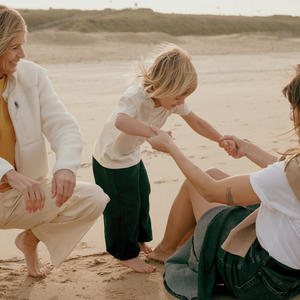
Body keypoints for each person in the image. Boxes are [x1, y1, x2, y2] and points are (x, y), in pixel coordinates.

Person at [146, 65, 300, 299]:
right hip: (293, 273)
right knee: (216, 172)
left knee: (197, 185)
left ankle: (165, 250)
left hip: (261, 279)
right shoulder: (291, 171)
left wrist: (170, 148)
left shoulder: (284, 176)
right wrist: (247, 148)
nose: (291, 115)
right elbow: (289, 173)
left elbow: (210, 192)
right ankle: (173, 247)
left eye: (294, 108)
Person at [92, 43, 236, 274]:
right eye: (179, 97)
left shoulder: (172, 99)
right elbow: (120, 121)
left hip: (131, 154)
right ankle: (125, 254)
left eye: (185, 97)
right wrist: (153, 133)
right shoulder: (135, 97)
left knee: (142, 193)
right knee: (123, 204)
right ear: (158, 86)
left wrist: (220, 139)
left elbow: (196, 121)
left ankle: (139, 240)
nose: (181, 102)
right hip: (111, 158)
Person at [0, 5, 109, 278]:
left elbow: (62, 124)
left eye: (22, 45)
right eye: (14, 47)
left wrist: (65, 166)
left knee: (93, 198)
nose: (22, 55)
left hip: (24, 197)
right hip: (16, 185)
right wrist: (8, 174)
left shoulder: (32, 76)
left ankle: (29, 241)